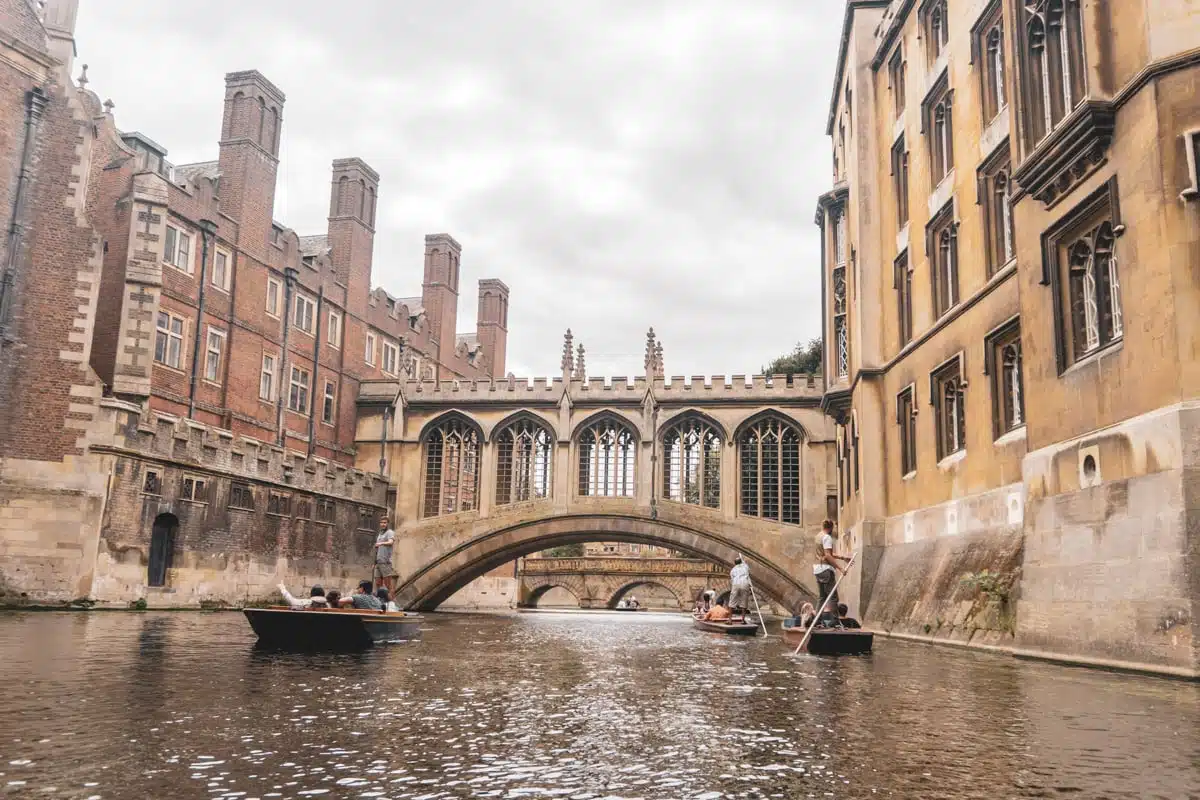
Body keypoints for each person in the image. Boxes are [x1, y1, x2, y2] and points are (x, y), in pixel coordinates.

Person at [814, 519, 852, 625]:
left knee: (822, 597)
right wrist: (840, 568)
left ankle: (816, 620)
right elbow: (828, 555)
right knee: (833, 596)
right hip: (826, 569)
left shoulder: (818, 536)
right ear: (831, 528)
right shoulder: (827, 537)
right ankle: (835, 621)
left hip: (817, 569)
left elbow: (826, 553)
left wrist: (842, 557)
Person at [373, 516, 397, 595]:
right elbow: (377, 550)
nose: (383, 524)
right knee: (378, 584)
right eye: (382, 523)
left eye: (385, 523)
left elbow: (390, 542)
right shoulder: (380, 534)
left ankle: (391, 604)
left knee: (388, 585)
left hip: (385, 562)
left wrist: (381, 543)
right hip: (378, 562)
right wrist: (374, 563)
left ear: (387, 524)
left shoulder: (390, 532)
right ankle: (380, 602)